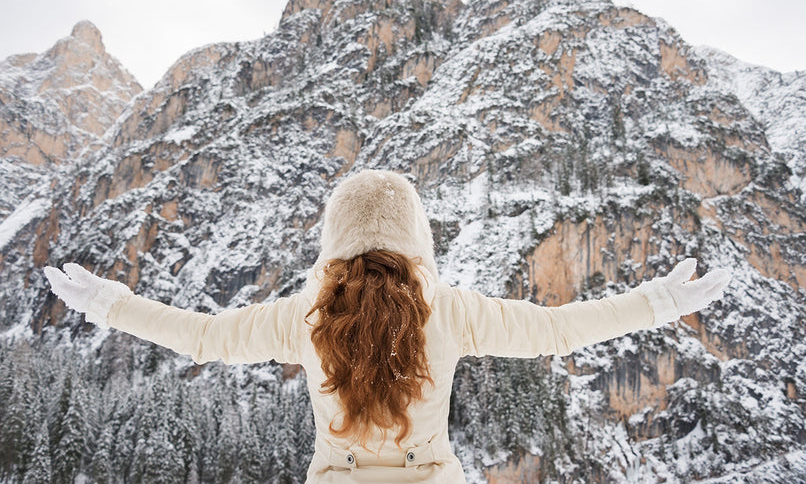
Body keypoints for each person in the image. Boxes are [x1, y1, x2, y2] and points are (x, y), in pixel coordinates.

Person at [44, 169, 730, 483]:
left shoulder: (303, 318)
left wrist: (110, 304)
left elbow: (201, 337)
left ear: (333, 244)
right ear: (417, 241)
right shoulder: (452, 311)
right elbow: (556, 331)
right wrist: (658, 302)